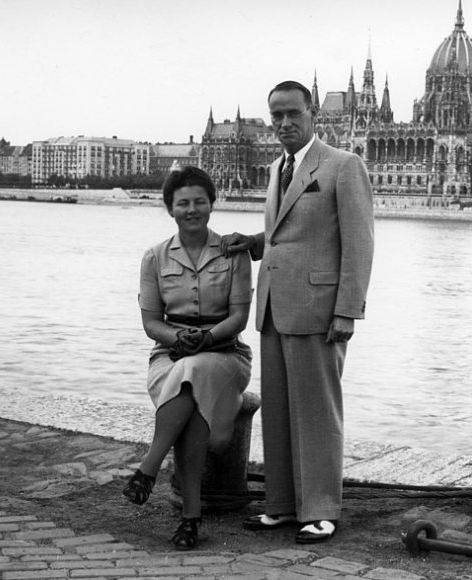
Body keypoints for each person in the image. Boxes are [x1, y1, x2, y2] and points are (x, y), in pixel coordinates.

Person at [223, 80, 374, 544]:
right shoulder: (276, 168)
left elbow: (360, 243)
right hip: (274, 307)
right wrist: (254, 243)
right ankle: (283, 506)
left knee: (317, 414)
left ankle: (321, 509)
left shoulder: (343, 166)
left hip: (318, 310)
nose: (284, 124)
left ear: (314, 115)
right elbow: (286, 230)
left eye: (293, 114)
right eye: (276, 117)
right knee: (281, 414)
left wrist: (347, 311)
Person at [123, 165, 253, 550]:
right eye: (183, 203)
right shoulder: (154, 258)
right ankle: (190, 518)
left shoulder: (234, 253)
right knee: (189, 385)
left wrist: (207, 338)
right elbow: (151, 323)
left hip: (227, 355)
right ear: (171, 209)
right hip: (169, 355)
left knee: (191, 372)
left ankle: (149, 469)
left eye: (199, 201)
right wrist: (181, 338)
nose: (192, 209)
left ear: (212, 204)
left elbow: (239, 318)